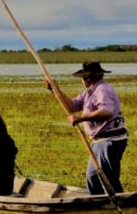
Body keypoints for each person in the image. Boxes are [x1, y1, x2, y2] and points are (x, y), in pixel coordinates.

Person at [46, 61, 127, 195]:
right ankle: (97, 206)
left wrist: (81, 118)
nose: (82, 80)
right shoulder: (89, 92)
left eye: (83, 77)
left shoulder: (103, 90)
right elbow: (72, 106)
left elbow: (106, 112)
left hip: (109, 140)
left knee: (108, 178)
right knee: (93, 178)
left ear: (87, 78)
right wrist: (55, 90)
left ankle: (121, 206)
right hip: (99, 141)